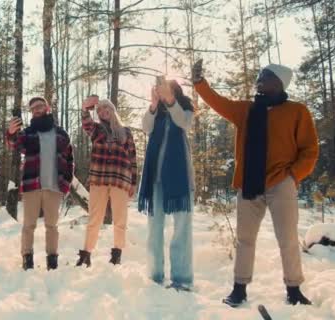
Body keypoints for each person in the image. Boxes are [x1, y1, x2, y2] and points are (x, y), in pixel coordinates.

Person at [192, 60, 319, 306]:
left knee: (288, 238)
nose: (260, 78)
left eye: (266, 75)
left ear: (279, 82)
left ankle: (294, 290)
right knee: (245, 239)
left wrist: (293, 176)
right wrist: (200, 83)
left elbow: (310, 149)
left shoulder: (297, 111)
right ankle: (239, 289)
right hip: (249, 183)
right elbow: (219, 103)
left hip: (281, 182)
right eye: (260, 74)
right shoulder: (247, 110)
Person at [138, 77, 195, 291]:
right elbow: (145, 127)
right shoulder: (156, 113)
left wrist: (171, 101)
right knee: (155, 228)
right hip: (155, 179)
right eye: (160, 90)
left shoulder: (185, 108)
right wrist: (153, 104)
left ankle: (182, 279)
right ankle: (155, 276)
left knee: (182, 228)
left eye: (167, 90)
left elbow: (183, 122)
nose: (162, 93)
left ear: (175, 91)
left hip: (180, 179)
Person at [6, 97, 74, 271]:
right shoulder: (28, 133)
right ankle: (27, 259)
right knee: (29, 225)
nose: (36, 109)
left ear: (47, 108)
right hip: (32, 186)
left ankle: (52, 260)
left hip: (54, 187)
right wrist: (11, 133)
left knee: (52, 226)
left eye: (40, 106)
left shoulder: (60, 133)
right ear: (31, 112)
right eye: (33, 108)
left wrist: (66, 183)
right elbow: (14, 145)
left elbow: (69, 160)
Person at [75, 97, 137, 267]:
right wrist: (84, 108)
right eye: (100, 110)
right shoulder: (96, 130)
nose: (103, 112)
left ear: (112, 110)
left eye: (106, 108)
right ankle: (86, 253)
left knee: (120, 219)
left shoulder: (126, 132)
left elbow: (132, 158)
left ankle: (117, 253)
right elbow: (86, 123)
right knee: (95, 217)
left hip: (120, 179)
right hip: (99, 178)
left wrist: (133, 182)